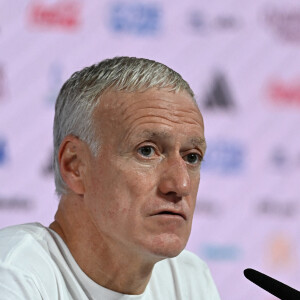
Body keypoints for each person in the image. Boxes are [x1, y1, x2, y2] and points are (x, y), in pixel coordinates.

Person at [0, 57, 220, 299]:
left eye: (191, 157)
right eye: (146, 151)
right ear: (75, 166)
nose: (181, 185)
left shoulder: (189, 279)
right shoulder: (12, 275)